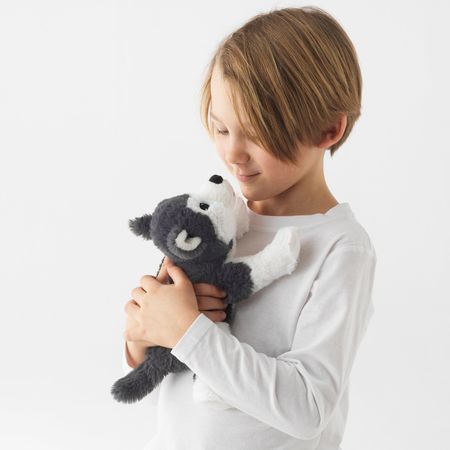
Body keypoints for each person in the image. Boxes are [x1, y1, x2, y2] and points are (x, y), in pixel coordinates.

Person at [121, 6, 377, 450]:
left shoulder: (342, 248)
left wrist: (186, 330)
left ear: (328, 129)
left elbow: (308, 408)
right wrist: (142, 332)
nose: (233, 154)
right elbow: (167, 375)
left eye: (257, 134)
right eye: (221, 128)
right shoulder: (215, 223)